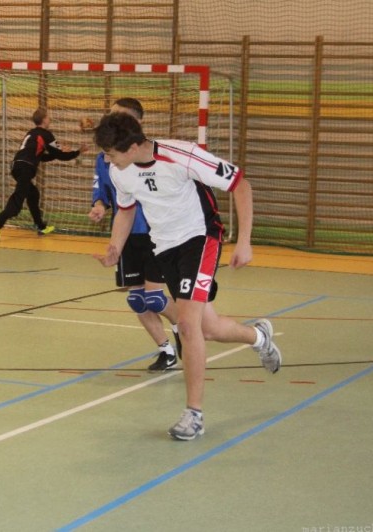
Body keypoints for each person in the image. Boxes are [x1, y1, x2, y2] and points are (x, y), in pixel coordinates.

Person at [93, 112, 281, 441]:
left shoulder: (182, 155)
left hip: (200, 238)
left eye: (111, 153)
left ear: (133, 147)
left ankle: (194, 414)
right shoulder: (119, 171)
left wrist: (245, 241)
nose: (107, 160)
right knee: (208, 328)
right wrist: (114, 248)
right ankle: (259, 337)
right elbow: (126, 209)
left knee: (188, 325)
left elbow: (240, 184)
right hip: (164, 246)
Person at [88, 98, 181, 371]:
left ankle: (183, 328)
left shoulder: (153, 156)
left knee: (154, 298)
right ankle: (166, 350)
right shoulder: (105, 158)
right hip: (127, 235)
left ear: (137, 123)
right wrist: (99, 205)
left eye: (120, 117)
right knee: (137, 299)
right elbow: (103, 191)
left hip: (156, 233)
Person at [0, 108, 88, 241]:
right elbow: (61, 155)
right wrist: (78, 151)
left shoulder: (31, 133)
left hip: (16, 166)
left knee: (33, 194)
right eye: (48, 117)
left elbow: (42, 157)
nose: (50, 119)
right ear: (44, 120)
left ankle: (40, 226)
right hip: (26, 168)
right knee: (18, 198)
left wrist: (59, 153)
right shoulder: (47, 135)